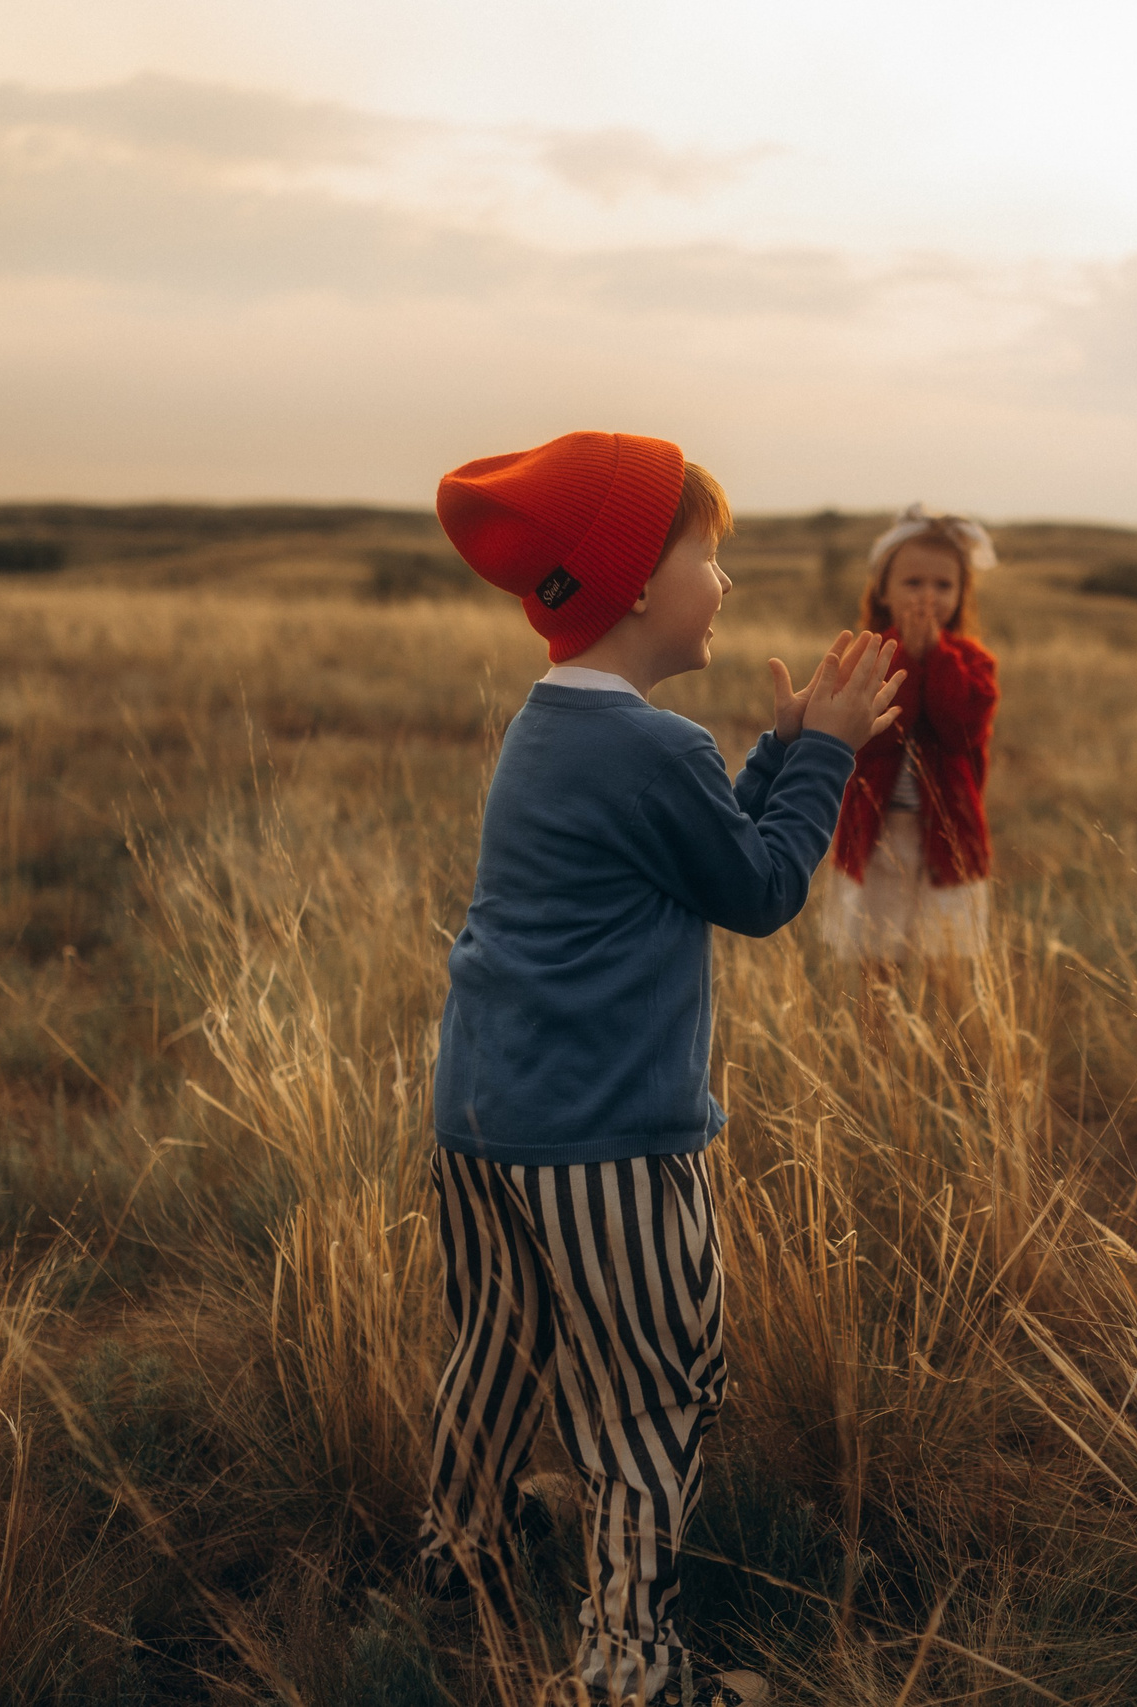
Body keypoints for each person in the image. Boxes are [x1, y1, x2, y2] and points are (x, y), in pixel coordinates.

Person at [419, 430, 903, 1707]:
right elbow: (753, 888)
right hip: (608, 1142)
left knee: (501, 1342)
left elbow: (685, 843)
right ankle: (631, 1671)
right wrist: (830, 754)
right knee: (653, 1393)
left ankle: (455, 1551)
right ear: (638, 581)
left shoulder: (556, 728)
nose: (725, 583)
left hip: (484, 1116)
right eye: (708, 555)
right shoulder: (653, 749)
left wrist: (776, 750)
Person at [822, 505, 1001, 962]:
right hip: (876, 833)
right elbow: (876, 734)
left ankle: (938, 1036)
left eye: (943, 586)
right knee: (874, 956)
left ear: (963, 594)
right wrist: (906, 657)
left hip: (948, 836)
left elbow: (958, 729)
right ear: (883, 589)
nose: (928, 597)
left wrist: (936, 658)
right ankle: (877, 1034)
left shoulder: (976, 663)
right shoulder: (866, 658)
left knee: (946, 960)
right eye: (913, 583)